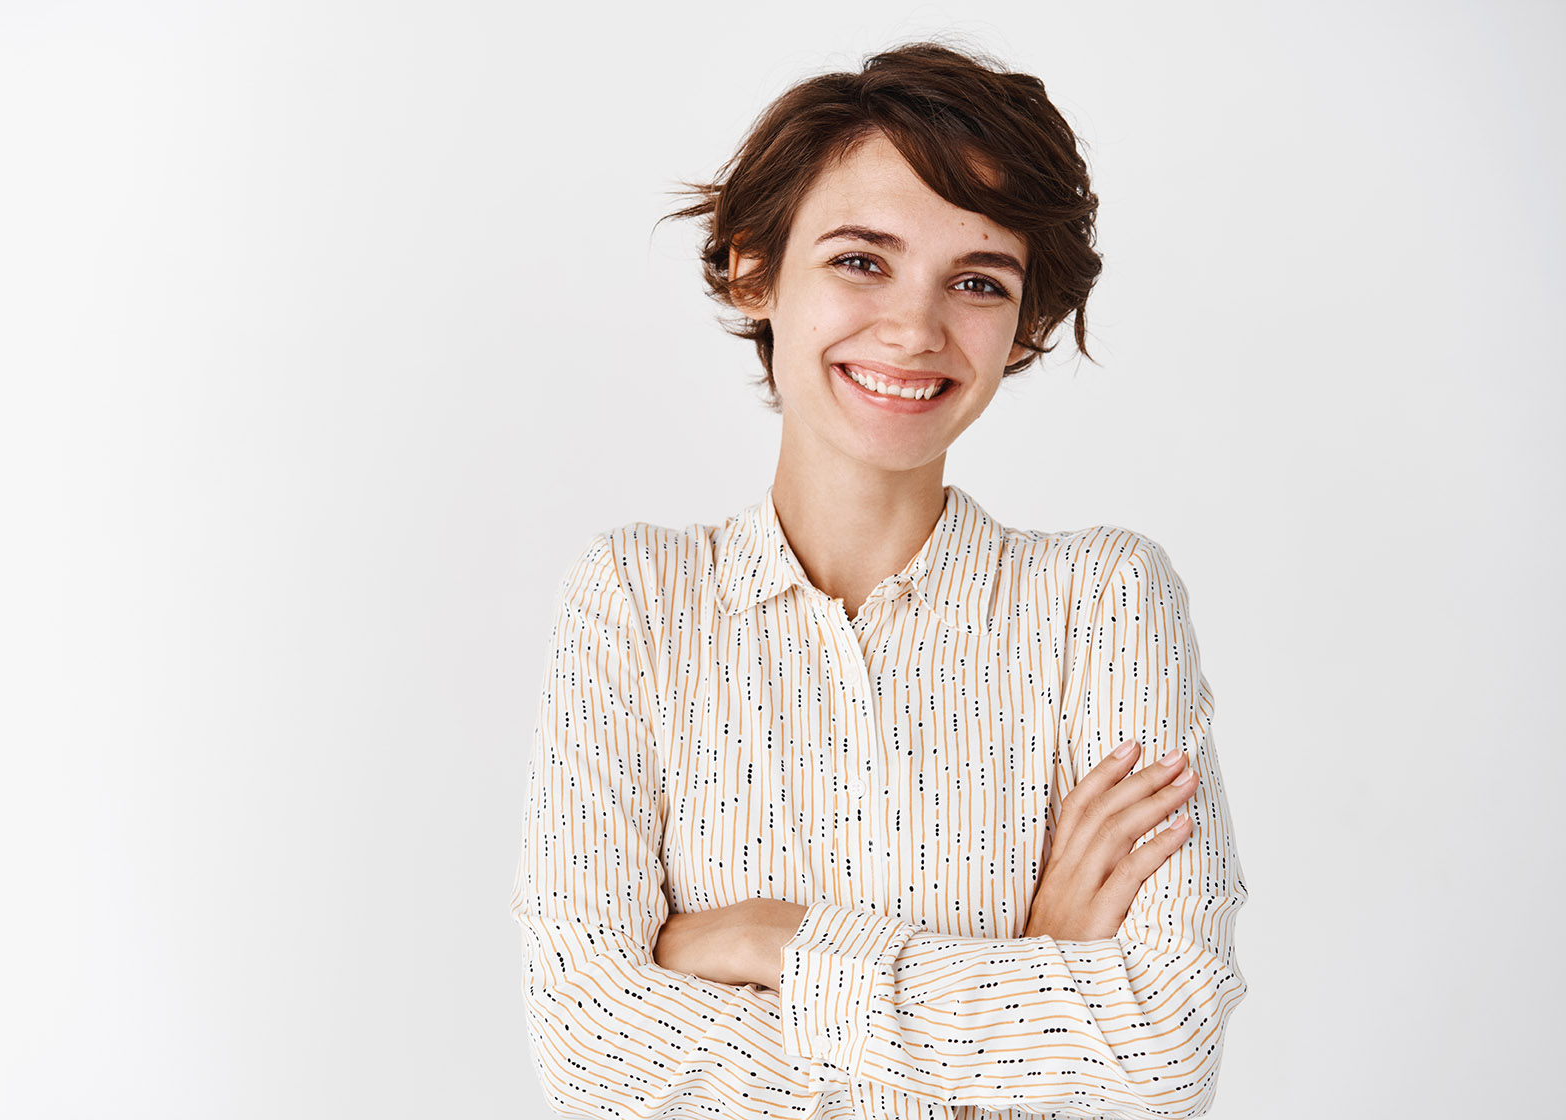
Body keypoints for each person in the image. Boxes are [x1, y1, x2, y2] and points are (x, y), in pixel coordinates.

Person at [510, 42, 1246, 1120]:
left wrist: (780, 942)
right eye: (862, 259)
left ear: (1027, 322)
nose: (914, 327)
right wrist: (1037, 972)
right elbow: (590, 1050)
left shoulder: (1103, 601)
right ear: (755, 267)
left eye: (978, 280)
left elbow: (1162, 1051)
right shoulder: (636, 599)